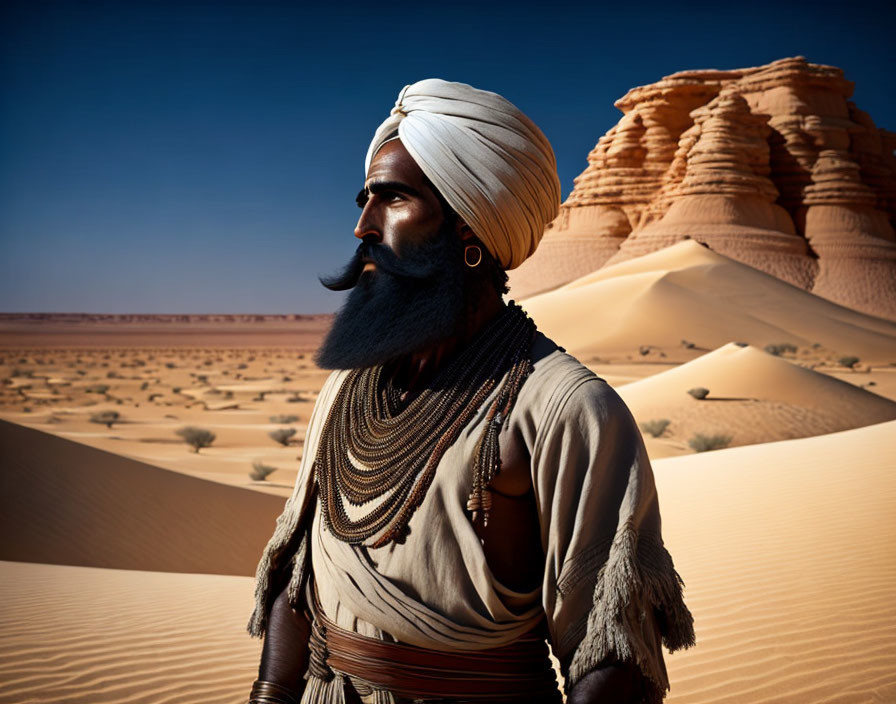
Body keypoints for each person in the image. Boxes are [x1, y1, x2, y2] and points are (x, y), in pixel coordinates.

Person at [245, 79, 695, 704]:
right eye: (364, 199)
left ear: (470, 230)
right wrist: (270, 694)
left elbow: (609, 652)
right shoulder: (347, 389)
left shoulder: (563, 408)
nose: (362, 227)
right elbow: (300, 579)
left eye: (393, 199)